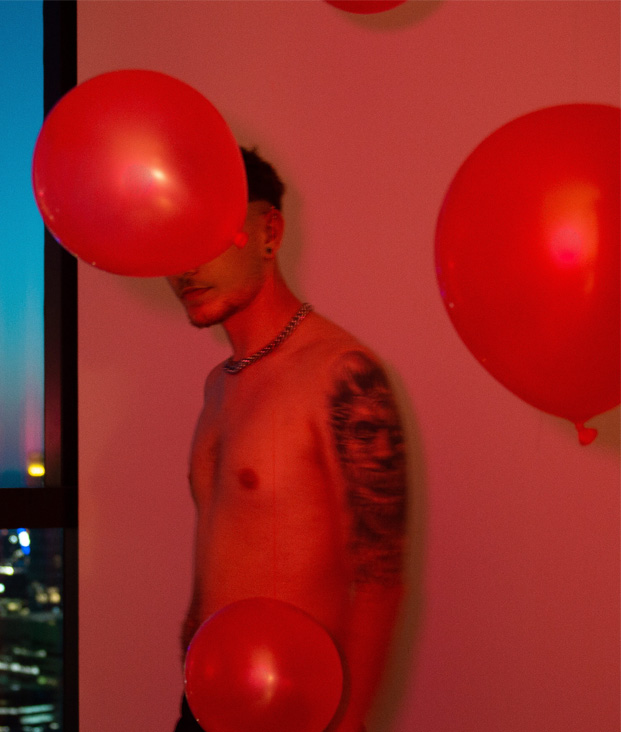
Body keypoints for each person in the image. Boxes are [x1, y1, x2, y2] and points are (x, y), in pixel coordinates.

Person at [169, 148, 407, 732]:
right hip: (205, 705)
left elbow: (379, 576)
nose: (183, 268)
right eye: (172, 246)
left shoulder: (341, 373)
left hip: (298, 713)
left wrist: (345, 727)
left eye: (205, 237)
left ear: (268, 231)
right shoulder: (217, 388)